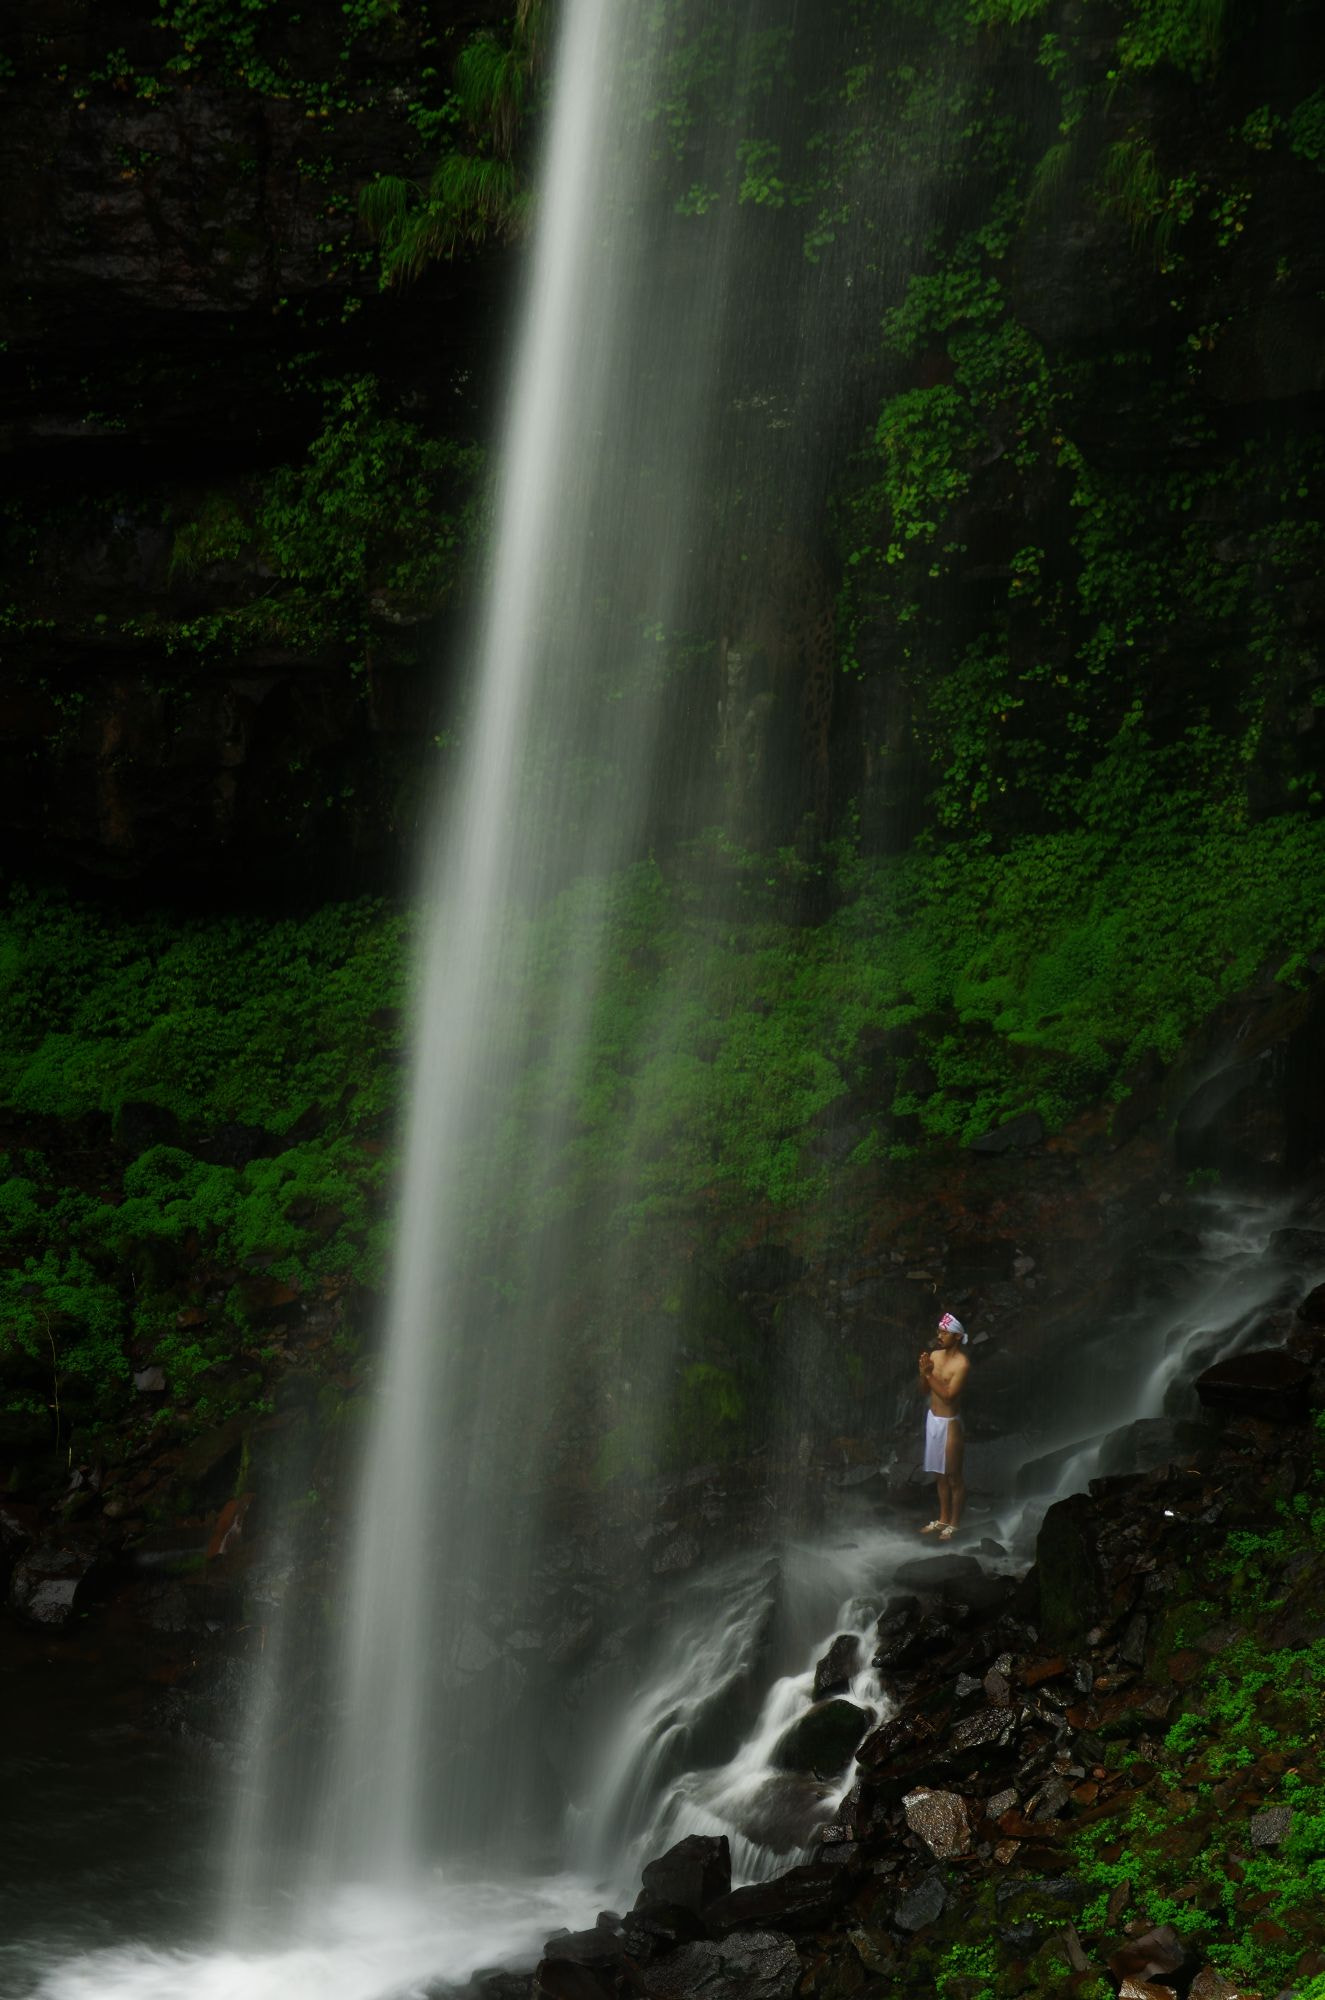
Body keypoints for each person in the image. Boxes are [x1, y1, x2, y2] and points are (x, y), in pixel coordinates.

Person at [917, 1311, 969, 1540]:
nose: (939, 1335)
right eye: (939, 1331)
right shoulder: (935, 1356)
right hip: (933, 1420)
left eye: (944, 1332)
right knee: (939, 1475)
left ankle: (954, 1524)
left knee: (953, 1476)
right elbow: (923, 1391)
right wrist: (923, 1375)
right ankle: (942, 1518)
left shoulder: (962, 1364)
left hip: (950, 1423)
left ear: (957, 1336)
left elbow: (948, 1396)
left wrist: (928, 1376)